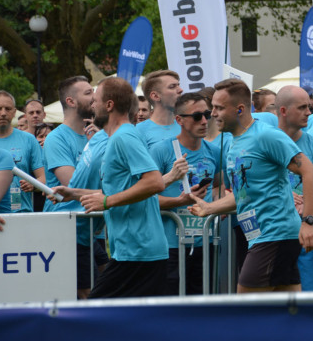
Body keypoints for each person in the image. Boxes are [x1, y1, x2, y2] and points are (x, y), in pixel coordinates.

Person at [189, 78, 313, 293]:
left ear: (240, 109)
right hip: (263, 237)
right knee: (288, 307)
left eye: (219, 108)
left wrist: (308, 222)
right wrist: (209, 208)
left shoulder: (266, 135)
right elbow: (244, 193)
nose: (212, 114)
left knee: (245, 306)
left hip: (275, 235)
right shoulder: (234, 142)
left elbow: (311, 173)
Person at [55, 77, 168, 298]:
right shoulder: (117, 137)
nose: (92, 104)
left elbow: (155, 181)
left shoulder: (124, 136)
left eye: (95, 100)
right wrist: (74, 193)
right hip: (131, 251)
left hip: (139, 251)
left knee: (95, 310)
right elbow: (120, 189)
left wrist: (107, 202)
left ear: (109, 105)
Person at [150, 92, 222, 295]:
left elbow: (219, 186)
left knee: (202, 301)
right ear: (179, 120)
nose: (204, 121)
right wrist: (178, 201)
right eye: (197, 116)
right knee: (171, 302)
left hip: (205, 241)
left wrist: (217, 206)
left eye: (207, 114)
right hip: (171, 244)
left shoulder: (214, 151)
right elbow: (144, 197)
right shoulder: (161, 150)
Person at [276, 85, 313, 291]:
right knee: (270, 301)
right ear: (283, 111)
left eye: (309, 107)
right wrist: (286, 197)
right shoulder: (264, 143)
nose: (309, 112)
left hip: (307, 240)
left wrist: (306, 205)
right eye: (302, 108)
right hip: (272, 237)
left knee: (308, 298)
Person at [0, 91, 45, 213]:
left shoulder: (28, 140)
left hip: (21, 213)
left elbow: (44, 177)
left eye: (8, 109)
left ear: (14, 112)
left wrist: (34, 185)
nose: (3, 113)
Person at [43, 76, 93, 212]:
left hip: (92, 220)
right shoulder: (56, 139)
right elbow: (74, 185)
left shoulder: (96, 136)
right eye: (88, 93)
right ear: (71, 102)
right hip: (65, 220)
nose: (95, 98)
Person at [137, 70, 183, 148]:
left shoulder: (187, 125)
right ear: (155, 96)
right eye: (172, 86)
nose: (181, 90)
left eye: (178, 85)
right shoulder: (138, 131)